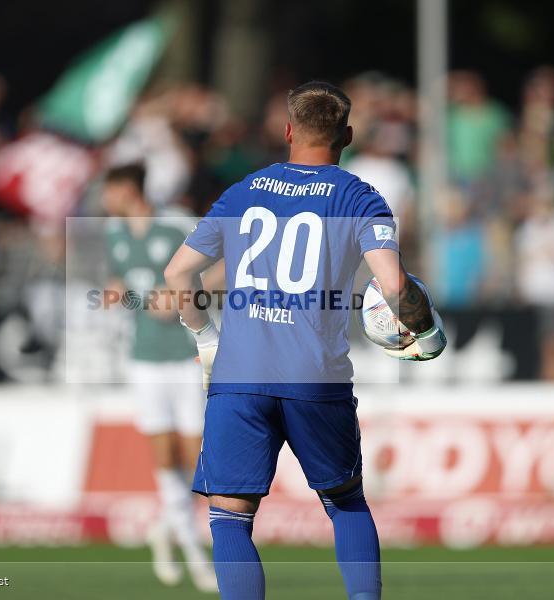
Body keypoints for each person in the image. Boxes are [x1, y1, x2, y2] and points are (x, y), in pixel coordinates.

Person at [164, 81, 443, 600]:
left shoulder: (245, 190)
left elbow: (180, 273)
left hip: (239, 376)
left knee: (229, 517)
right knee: (345, 503)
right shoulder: (359, 196)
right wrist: (425, 331)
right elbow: (395, 286)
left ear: (288, 131)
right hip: (315, 375)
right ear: (349, 136)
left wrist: (204, 339)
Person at [100, 164, 217, 593]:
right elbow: (119, 289)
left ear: (127, 190)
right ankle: (193, 553)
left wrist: (185, 298)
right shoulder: (115, 237)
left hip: (185, 355)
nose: (103, 202)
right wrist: (131, 298)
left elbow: (216, 270)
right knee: (165, 455)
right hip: (144, 359)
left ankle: (165, 530)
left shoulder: (175, 227)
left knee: (193, 454)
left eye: (109, 191)